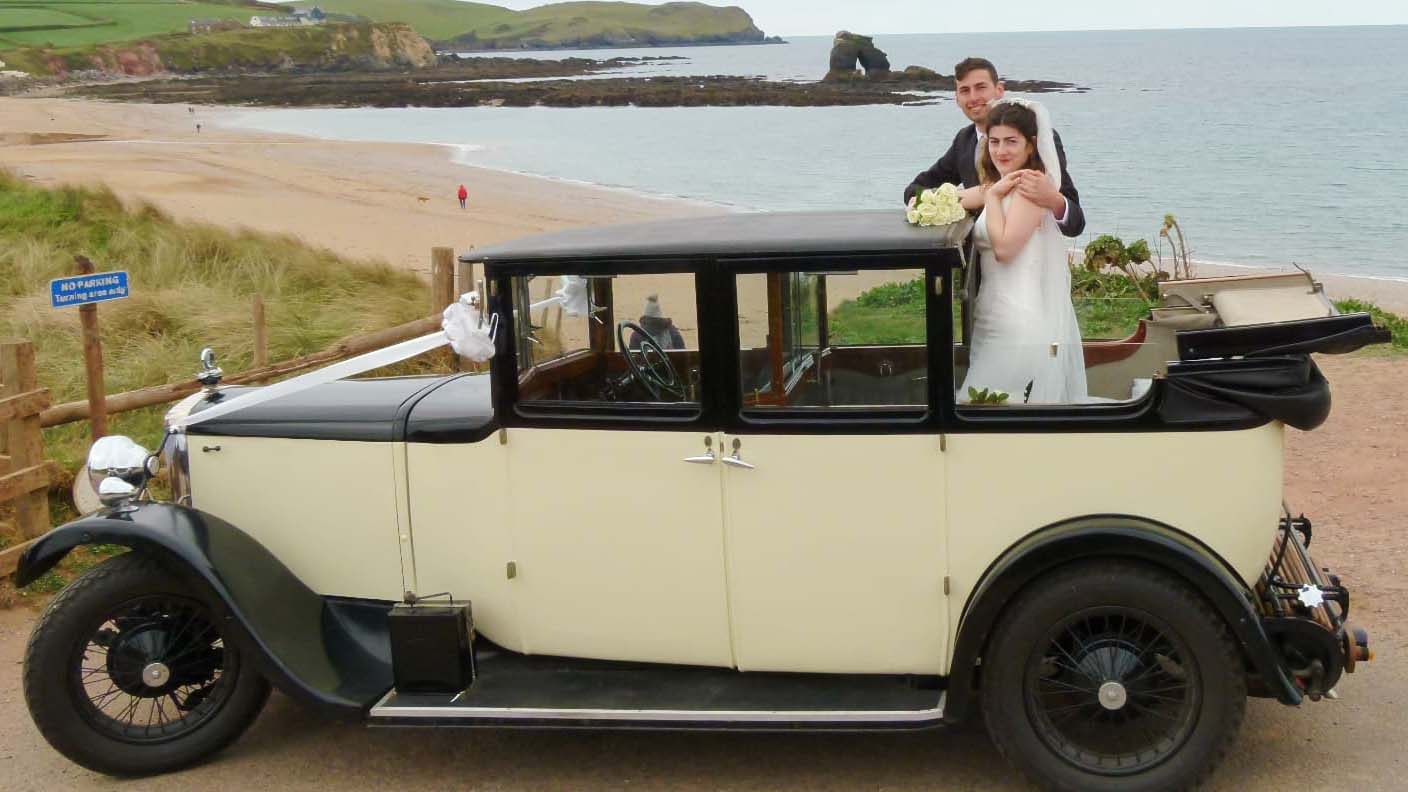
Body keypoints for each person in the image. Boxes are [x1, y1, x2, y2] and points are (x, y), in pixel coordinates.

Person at [957, 98, 1087, 404]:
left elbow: (1004, 250)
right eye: (995, 142)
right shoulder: (1001, 183)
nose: (1001, 151)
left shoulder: (1030, 188)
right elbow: (962, 197)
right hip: (991, 317)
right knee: (984, 406)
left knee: (985, 407)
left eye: (1011, 142)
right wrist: (922, 204)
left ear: (1030, 146)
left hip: (1017, 321)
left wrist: (992, 198)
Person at [904, 57, 1084, 238]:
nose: (973, 97)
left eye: (981, 87)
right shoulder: (964, 141)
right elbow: (915, 190)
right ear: (957, 98)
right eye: (965, 90)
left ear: (999, 90)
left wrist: (1055, 201)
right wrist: (939, 202)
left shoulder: (1040, 139)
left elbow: (1075, 222)